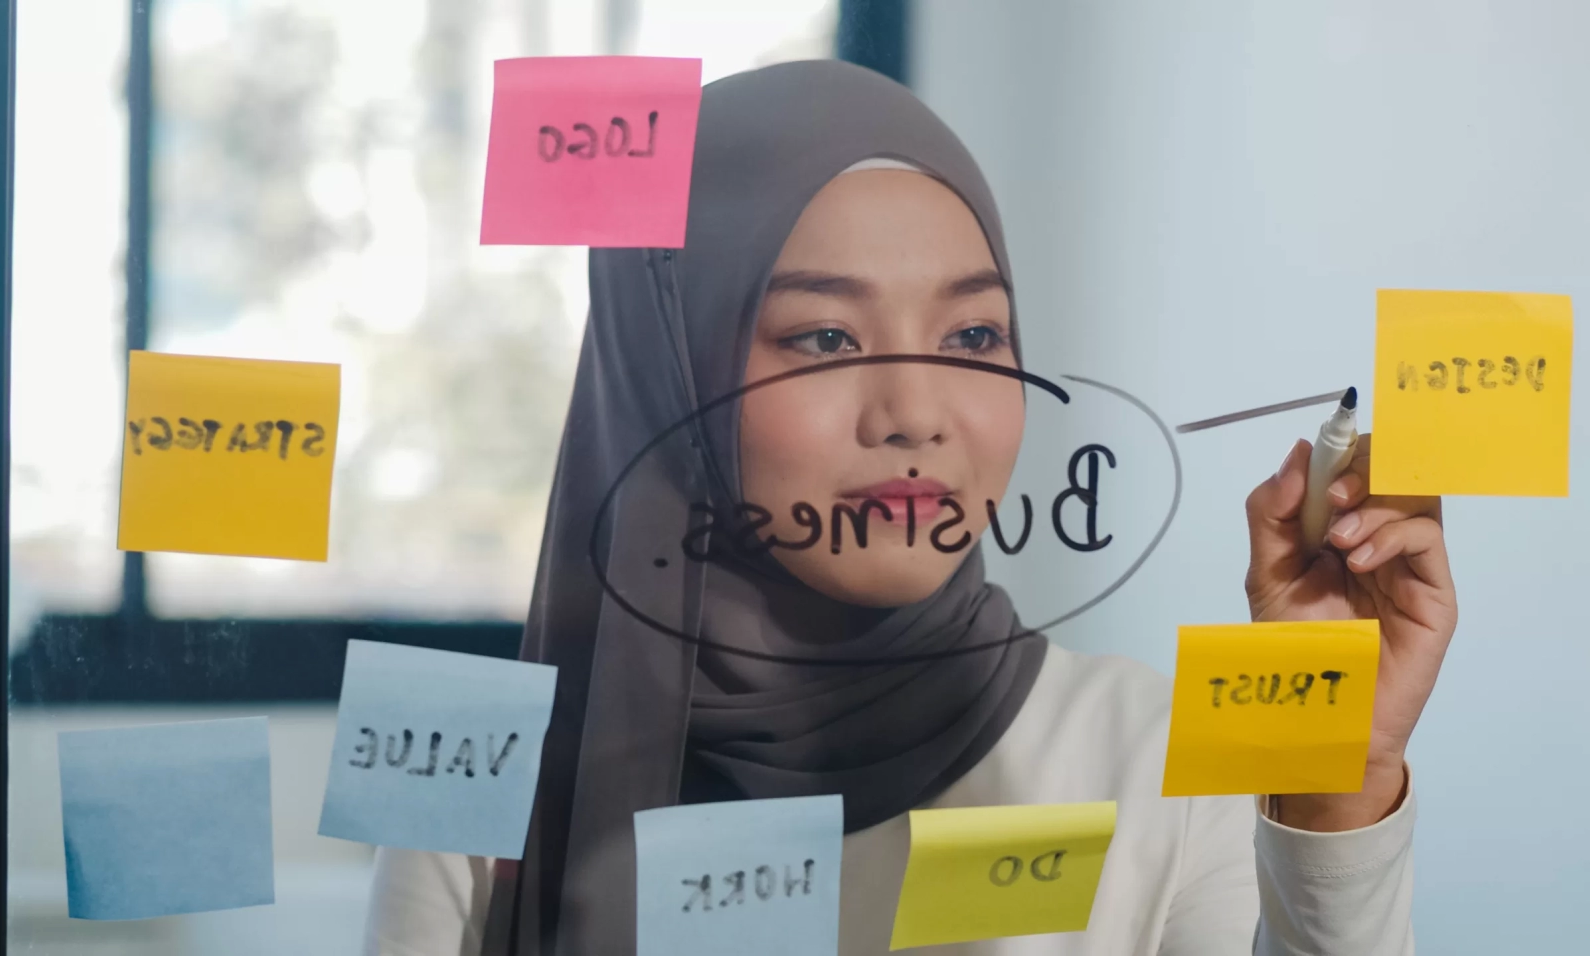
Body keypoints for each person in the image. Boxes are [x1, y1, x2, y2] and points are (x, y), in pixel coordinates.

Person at [363, 59, 1454, 956]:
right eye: (823, 337)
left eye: (973, 338)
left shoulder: (1152, 749)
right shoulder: (481, 765)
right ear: (671, 378)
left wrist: (1335, 788)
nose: (914, 412)